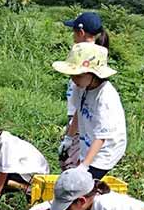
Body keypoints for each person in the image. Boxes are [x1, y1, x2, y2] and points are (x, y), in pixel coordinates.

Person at [52, 42, 126, 180]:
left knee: (82, 184)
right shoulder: (79, 86)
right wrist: (68, 138)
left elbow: (102, 137)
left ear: (94, 74)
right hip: (87, 140)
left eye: (78, 75)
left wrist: (84, 166)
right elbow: (78, 113)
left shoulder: (105, 97)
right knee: (80, 184)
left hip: (106, 149)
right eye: (71, 75)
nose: (73, 79)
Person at [59, 11, 111, 165]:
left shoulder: (86, 59)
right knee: (70, 161)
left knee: (71, 164)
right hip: (79, 120)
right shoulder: (92, 54)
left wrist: (70, 135)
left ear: (81, 32)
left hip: (83, 124)